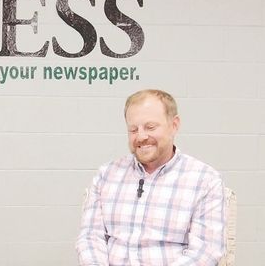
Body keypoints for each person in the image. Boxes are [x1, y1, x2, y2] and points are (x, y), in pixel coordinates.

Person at [76, 89, 225, 266]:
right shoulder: (106, 175)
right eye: (133, 129)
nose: (141, 136)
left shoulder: (205, 180)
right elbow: (91, 237)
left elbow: (205, 252)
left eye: (150, 127)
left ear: (174, 125)